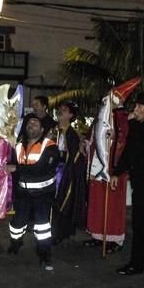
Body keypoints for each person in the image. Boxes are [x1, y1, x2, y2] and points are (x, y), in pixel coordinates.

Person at [110, 91, 144, 275]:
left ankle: (138, 263)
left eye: (140, 106)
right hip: (141, 179)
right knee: (142, 222)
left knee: (141, 222)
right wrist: (117, 172)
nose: (136, 109)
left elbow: (141, 149)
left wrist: (131, 124)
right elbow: (128, 152)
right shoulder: (140, 125)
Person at [7, 115, 60, 270]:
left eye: (35, 123)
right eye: (29, 123)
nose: (31, 125)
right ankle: (15, 243)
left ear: (42, 129)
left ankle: (44, 254)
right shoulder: (17, 146)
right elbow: (10, 163)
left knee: (42, 226)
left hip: (43, 194)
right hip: (23, 192)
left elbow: (42, 167)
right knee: (18, 222)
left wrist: (16, 168)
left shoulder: (49, 146)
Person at [84, 107, 130, 253]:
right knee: (97, 203)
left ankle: (114, 239)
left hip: (113, 169)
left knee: (113, 205)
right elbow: (91, 138)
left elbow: (127, 140)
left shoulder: (122, 117)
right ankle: (98, 236)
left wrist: (116, 137)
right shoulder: (99, 118)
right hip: (97, 167)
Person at [51, 100, 87, 245]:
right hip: (51, 171)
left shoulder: (72, 134)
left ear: (71, 115)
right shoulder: (53, 130)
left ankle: (59, 233)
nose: (61, 111)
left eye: (64, 110)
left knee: (62, 202)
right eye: (60, 109)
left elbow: (74, 158)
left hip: (63, 173)